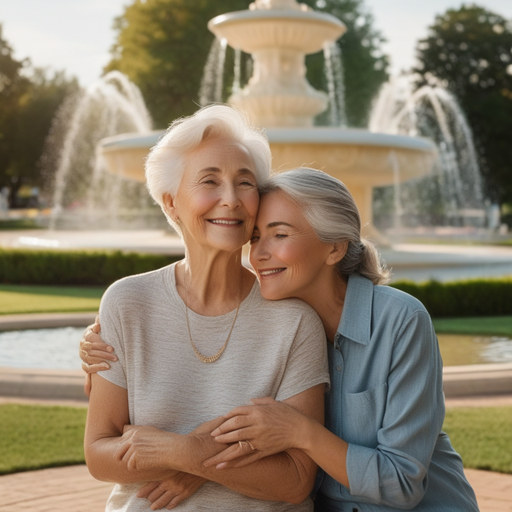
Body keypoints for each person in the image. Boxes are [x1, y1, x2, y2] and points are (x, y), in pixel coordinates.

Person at [82, 166, 479, 510]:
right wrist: (197, 467)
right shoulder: (282, 326)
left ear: (334, 248)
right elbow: (238, 437)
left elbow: (401, 483)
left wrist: (300, 432)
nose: (259, 255)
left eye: (279, 235)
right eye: (256, 238)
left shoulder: (401, 320)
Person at [83, 106, 330, 512]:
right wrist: (220, 454)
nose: (231, 200)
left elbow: (296, 481)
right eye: (209, 181)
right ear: (171, 203)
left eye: (244, 182)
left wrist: (185, 453)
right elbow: (98, 456)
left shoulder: (294, 321)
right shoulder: (127, 303)